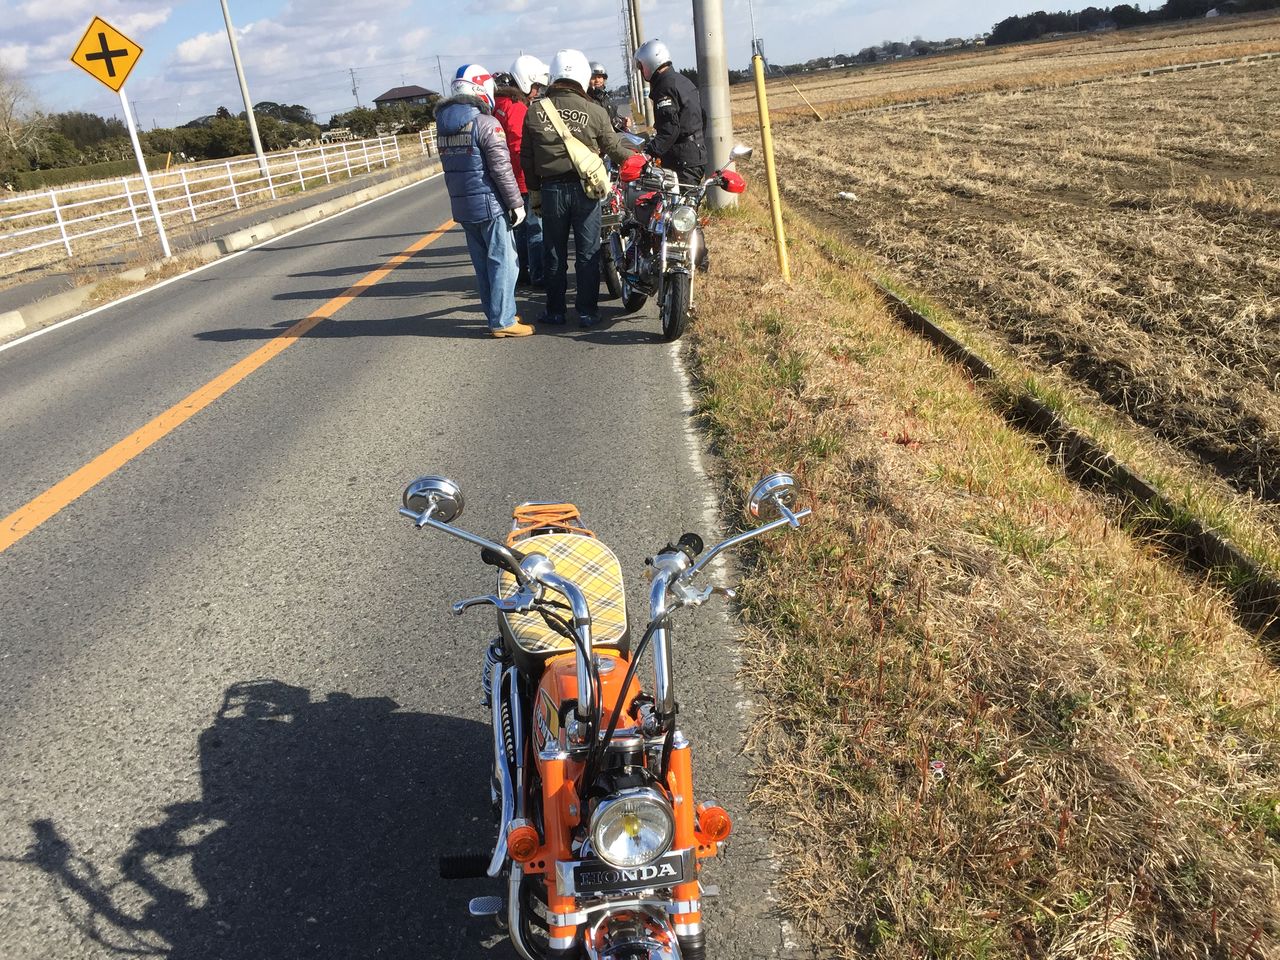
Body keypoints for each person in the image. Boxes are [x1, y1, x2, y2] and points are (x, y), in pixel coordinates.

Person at [521, 49, 635, 329]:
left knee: (554, 253)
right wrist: (638, 161)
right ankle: (586, 311)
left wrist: (534, 192)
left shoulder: (535, 111)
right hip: (587, 190)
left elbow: (527, 158)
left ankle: (556, 311)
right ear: (582, 77)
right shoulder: (594, 111)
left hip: (550, 191)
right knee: (587, 252)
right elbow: (614, 148)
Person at [436, 64, 533, 338]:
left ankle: (497, 313)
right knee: (504, 260)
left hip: (463, 205)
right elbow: (501, 170)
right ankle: (503, 320)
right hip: (490, 203)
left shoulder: (443, 126)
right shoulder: (486, 124)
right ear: (481, 89)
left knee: (482, 264)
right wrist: (516, 203)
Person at [495, 55, 549, 288]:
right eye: (535, 86)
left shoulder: (498, 105)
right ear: (525, 81)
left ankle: (521, 272)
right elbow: (519, 148)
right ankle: (537, 274)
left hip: (505, 178)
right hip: (522, 179)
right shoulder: (516, 108)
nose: (536, 92)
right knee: (534, 229)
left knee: (517, 231)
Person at [634, 39, 707, 185]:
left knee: (678, 206)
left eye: (641, 67)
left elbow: (670, 129)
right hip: (694, 154)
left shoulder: (665, 87)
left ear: (649, 62)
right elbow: (702, 117)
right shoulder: (681, 80)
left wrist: (648, 153)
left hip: (682, 161)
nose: (641, 71)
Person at [587, 61, 629, 133]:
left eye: (599, 77)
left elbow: (613, 121)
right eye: (593, 78)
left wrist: (622, 123)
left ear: (604, 79)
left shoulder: (606, 98)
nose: (597, 80)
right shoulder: (586, 99)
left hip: (610, 138)